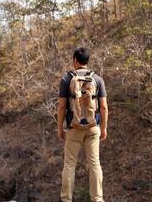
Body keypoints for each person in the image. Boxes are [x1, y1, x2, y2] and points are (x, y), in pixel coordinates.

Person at [57, 47, 108, 202]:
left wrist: (60, 128)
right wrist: (104, 127)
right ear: (87, 61)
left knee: (70, 165)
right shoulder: (98, 79)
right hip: (93, 128)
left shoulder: (66, 79)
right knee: (94, 163)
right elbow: (104, 107)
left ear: (75, 60)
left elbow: (61, 106)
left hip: (73, 128)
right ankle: (97, 199)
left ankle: (66, 199)